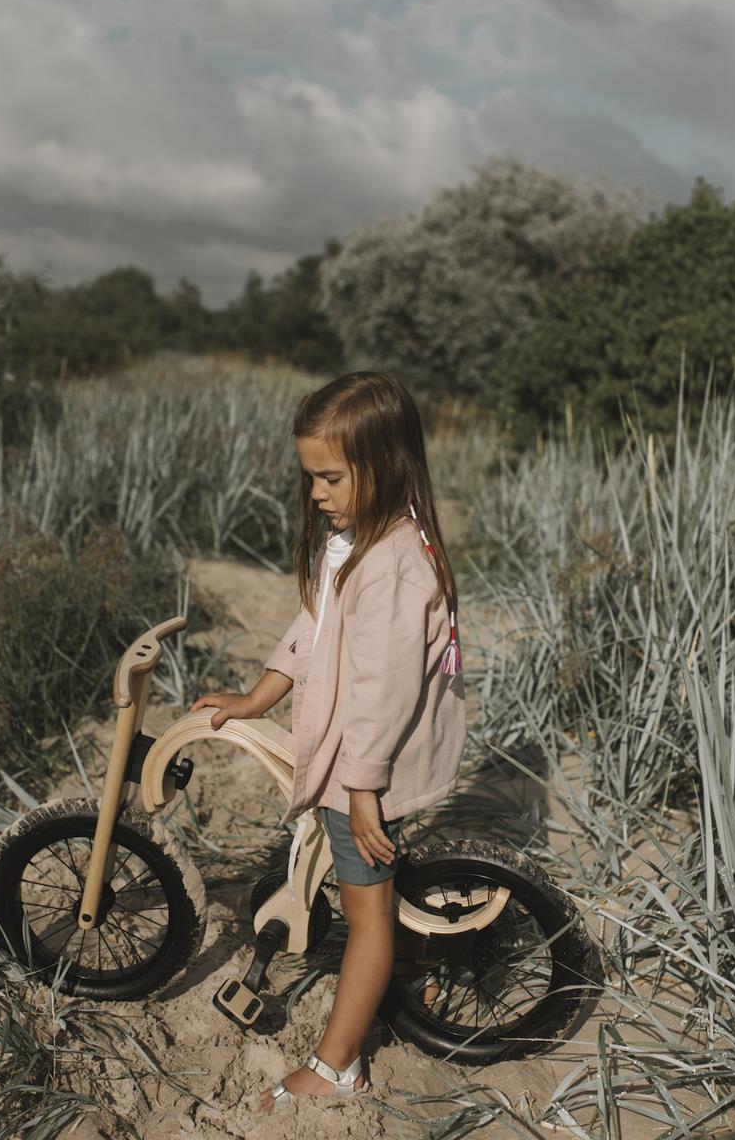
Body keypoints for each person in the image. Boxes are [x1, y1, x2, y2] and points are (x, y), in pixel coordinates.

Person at [189, 370, 467, 1112]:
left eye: (329, 477)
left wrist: (363, 789)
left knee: (364, 912)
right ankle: (413, 969)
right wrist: (259, 694)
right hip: (359, 757)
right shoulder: (355, 539)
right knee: (376, 896)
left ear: (384, 463)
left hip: (365, 765)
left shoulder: (393, 565)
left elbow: (383, 690)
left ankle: (338, 1063)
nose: (314, 493)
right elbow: (314, 625)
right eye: (309, 476)